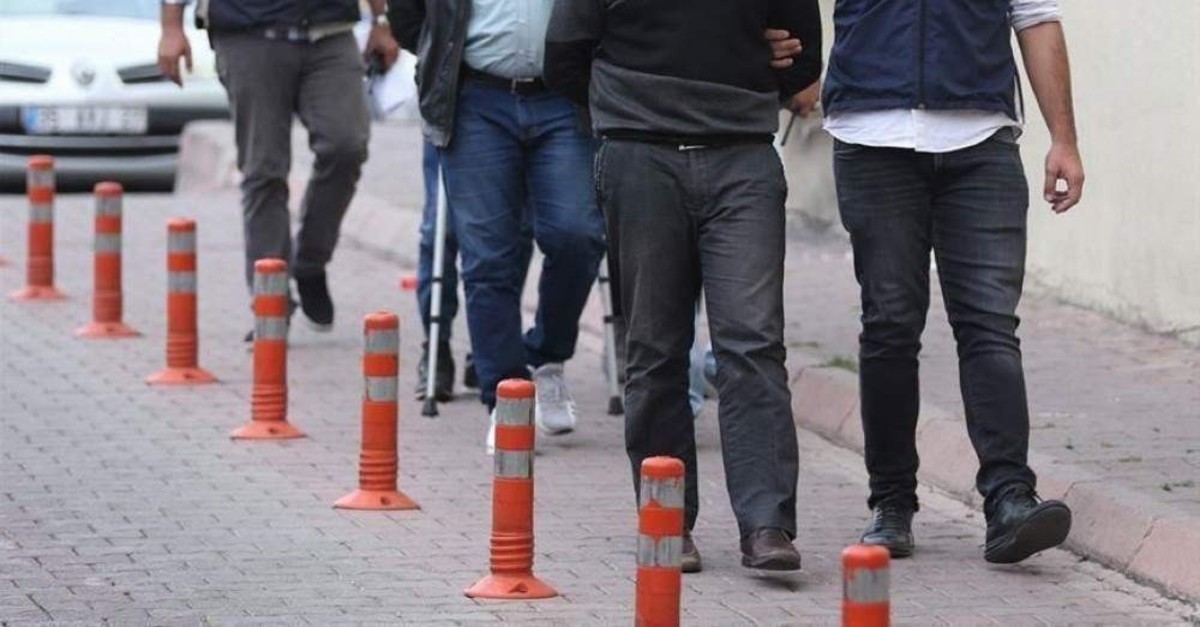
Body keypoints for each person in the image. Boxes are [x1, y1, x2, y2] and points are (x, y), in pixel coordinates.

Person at [546, 0, 822, 573]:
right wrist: (638, 103)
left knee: (753, 342)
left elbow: (803, 59)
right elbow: (564, 58)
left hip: (742, 157)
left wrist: (729, 64)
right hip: (640, 157)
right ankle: (666, 519)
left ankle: (766, 524)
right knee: (654, 347)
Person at [823, 0, 1084, 563]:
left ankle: (1010, 498)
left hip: (981, 140)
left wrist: (1064, 138)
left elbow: (1036, 18)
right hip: (872, 137)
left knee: (991, 324)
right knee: (890, 325)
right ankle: (891, 503)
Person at [390, 0, 608, 447]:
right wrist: (440, 52)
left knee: (578, 235)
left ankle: (545, 357)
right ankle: (506, 403)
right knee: (488, 258)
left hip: (564, 96)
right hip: (476, 97)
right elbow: (409, 16)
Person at [158, 0, 400, 338]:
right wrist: (172, 26)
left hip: (329, 32)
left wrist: (382, 19)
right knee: (264, 170)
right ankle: (271, 301)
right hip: (248, 33)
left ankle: (310, 261)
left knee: (346, 146)